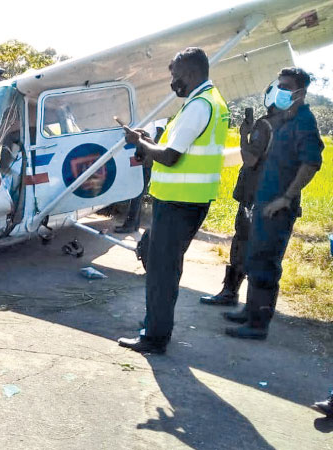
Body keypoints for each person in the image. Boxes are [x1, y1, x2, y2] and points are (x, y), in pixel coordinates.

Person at [117, 47, 229, 354]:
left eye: (176, 76)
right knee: (154, 256)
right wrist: (149, 141)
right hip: (185, 199)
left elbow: (169, 156)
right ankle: (156, 327)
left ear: (191, 74)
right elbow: (174, 148)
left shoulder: (198, 106)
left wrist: (139, 142)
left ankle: (155, 337)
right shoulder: (207, 101)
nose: (173, 82)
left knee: (162, 271)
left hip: (181, 201)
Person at [224, 67, 325, 340]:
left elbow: (312, 162)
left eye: (285, 87)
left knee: (266, 264)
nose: (278, 91)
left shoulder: (304, 121)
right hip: (263, 203)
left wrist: (286, 198)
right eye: (278, 86)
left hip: (278, 208)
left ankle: (258, 325)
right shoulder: (284, 120)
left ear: (300, 93)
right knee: (255, 258)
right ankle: (249, 312)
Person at [199, 104, 277, 305]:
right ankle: (254, 303)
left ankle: (230, 293)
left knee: (243, 242)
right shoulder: (289, 124)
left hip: (254, 195)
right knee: (261, 247)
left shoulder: (265, 124)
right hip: (270, 195)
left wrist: (244, 135)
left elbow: (250, 159)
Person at [114, 120, 167, 233]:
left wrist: (149, 152)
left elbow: (159, 132)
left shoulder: (159, 113)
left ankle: (130, 224)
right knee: (135, 188)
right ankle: (133, 224)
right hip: (139, 148)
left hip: (146, 150)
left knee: (138, 190)